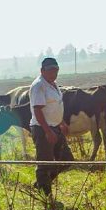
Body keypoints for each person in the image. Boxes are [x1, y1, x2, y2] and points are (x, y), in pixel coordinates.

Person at [29, 56, 73, 195]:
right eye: (50, 71)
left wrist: (61, 123)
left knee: (66, 160)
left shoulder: (53, 84)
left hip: (55, 127)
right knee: (45, 164)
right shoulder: (39, 86)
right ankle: (45, 195)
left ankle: (41, 184)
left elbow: (53, 107)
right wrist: (48, 131)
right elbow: (38, 110)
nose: (54, 73)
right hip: (43, 130)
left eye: (56, 70)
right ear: (42, 70)